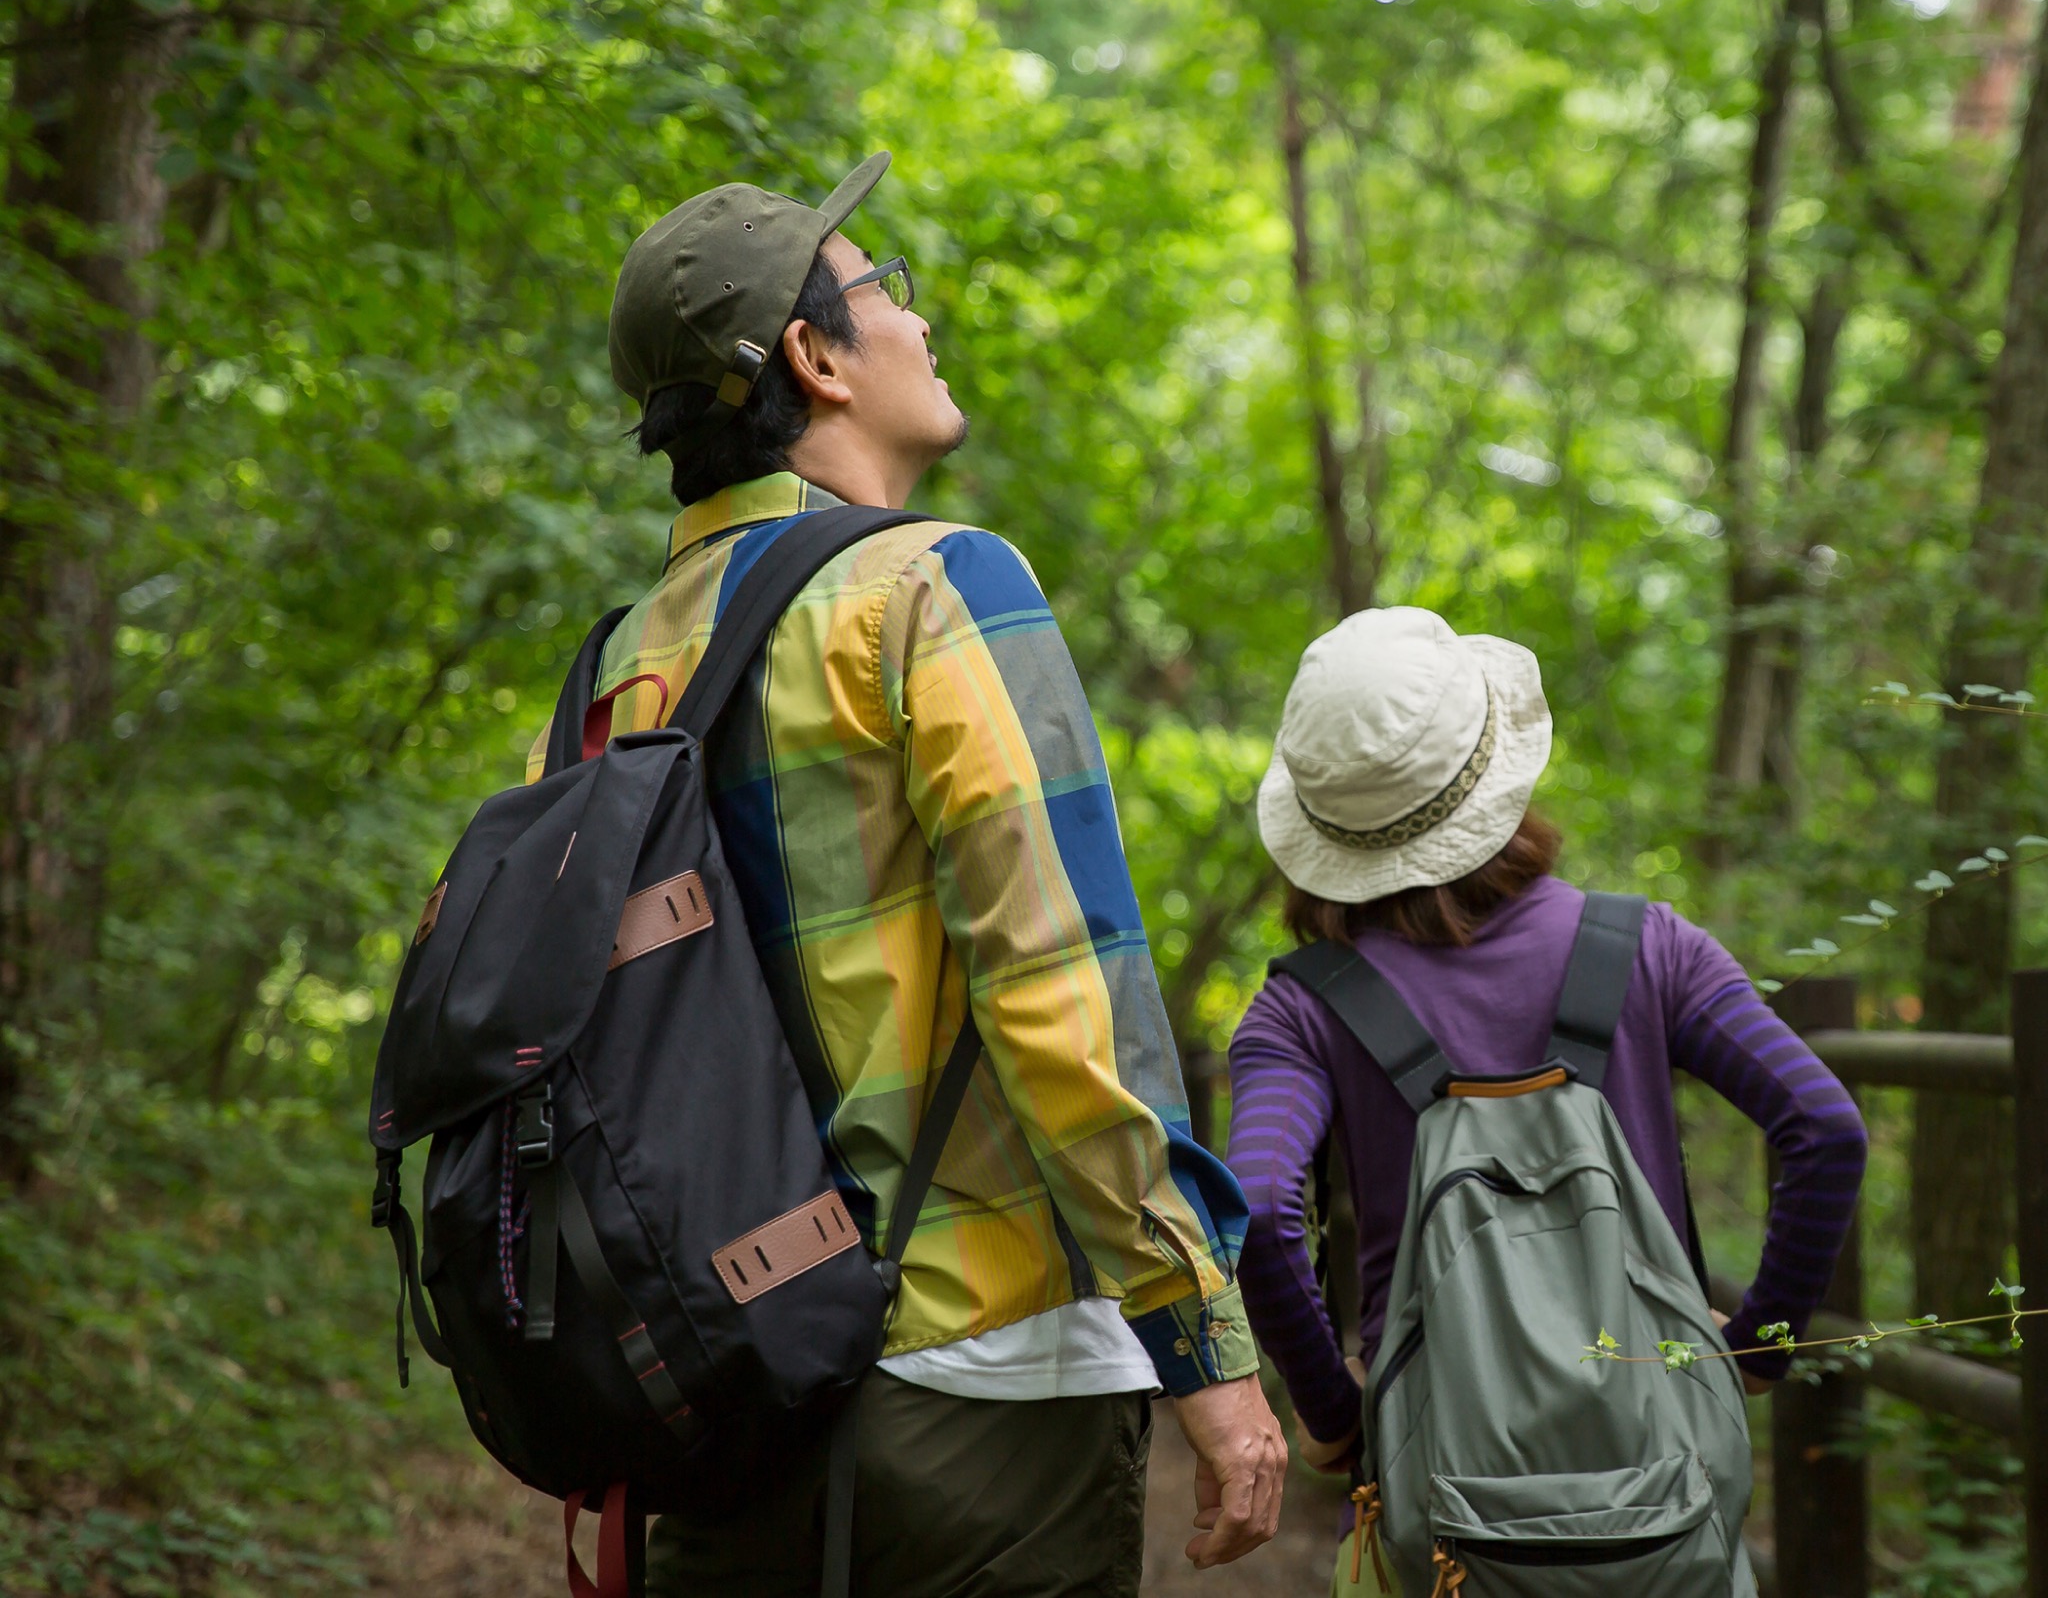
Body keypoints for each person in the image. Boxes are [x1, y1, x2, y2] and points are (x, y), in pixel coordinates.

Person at [537, 154, 1287, 1596]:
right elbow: (1062, 995)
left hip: (718, 1392)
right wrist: (1201, 1339)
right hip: (975, 1385)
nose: (922, 324)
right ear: (814, 357)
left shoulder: (613, 664)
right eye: (889, 292)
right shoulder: (936, 588)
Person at [1225, 608, 1867, 1527]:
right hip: (1663, 1460)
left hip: (1441, 1470)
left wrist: (1337, 1414)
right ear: (1496, 777)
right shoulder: (1651, 950)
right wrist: (1757, 1350)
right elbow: (1826, 1126)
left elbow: (1253, 1207)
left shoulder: (1301, 1010)